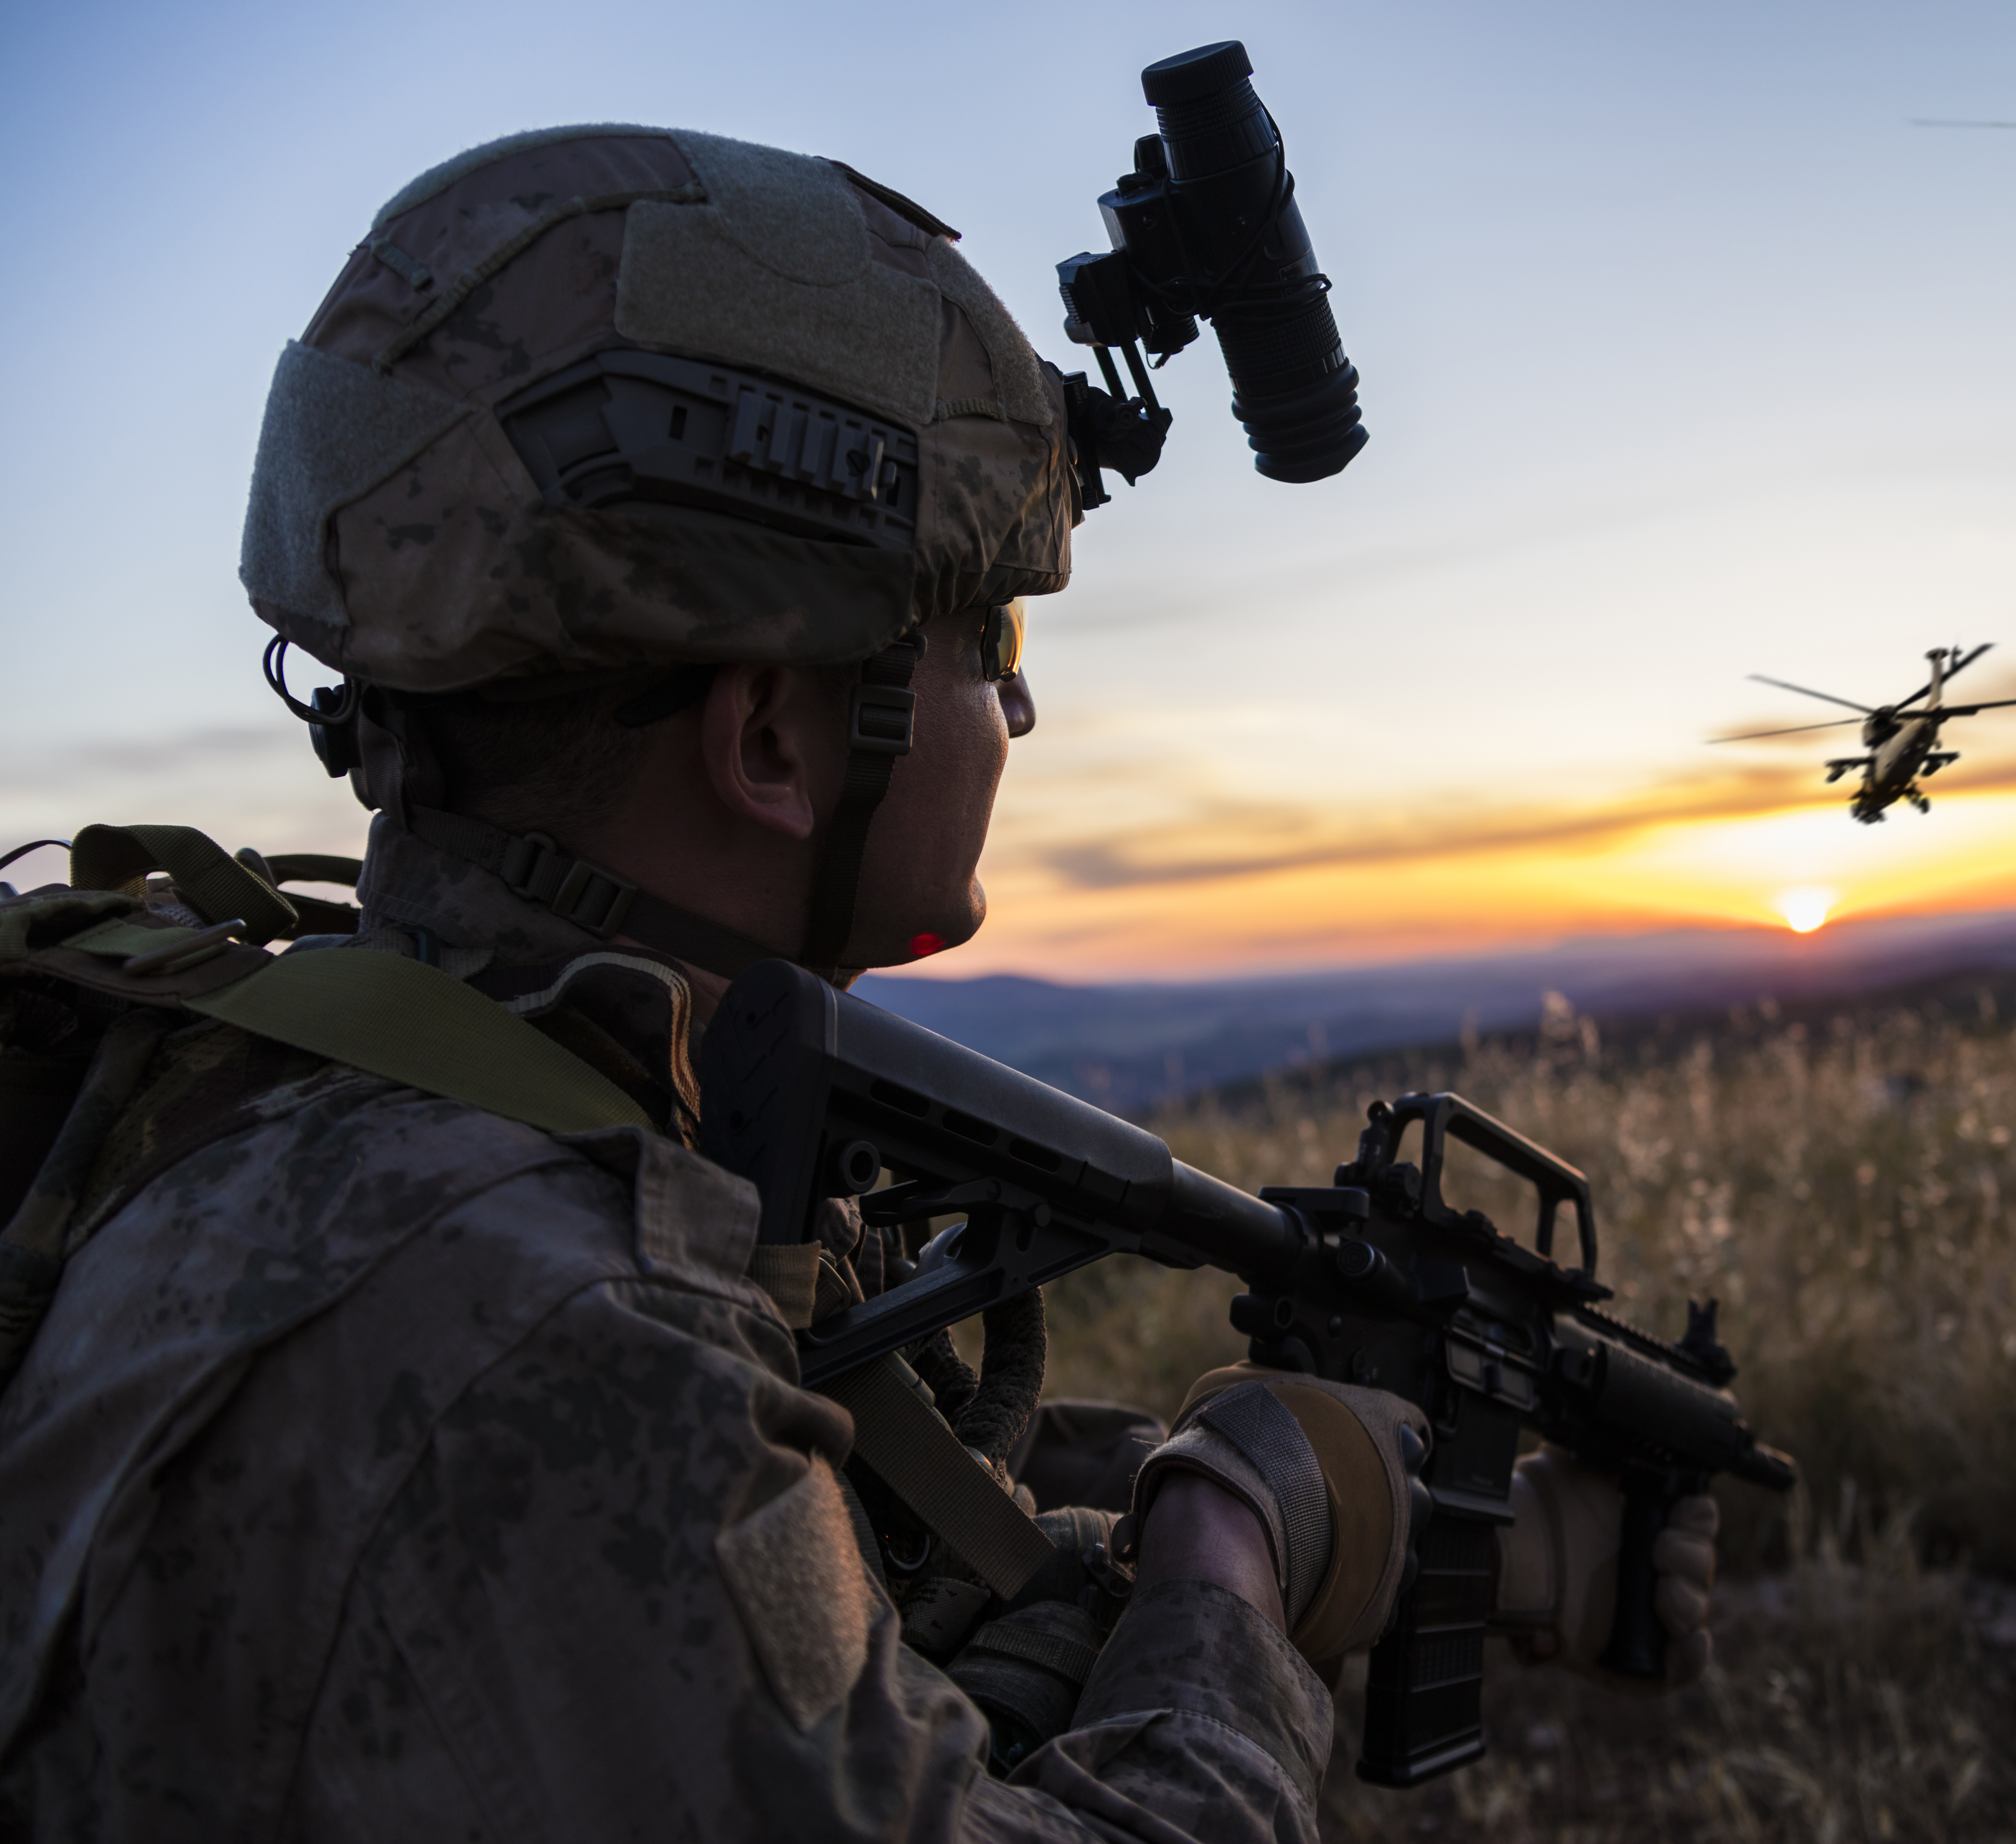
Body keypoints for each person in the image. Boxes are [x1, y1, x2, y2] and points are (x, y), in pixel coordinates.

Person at [0, 126, 1717, 1841]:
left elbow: (798, 1504)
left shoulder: (362, 1074)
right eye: (995, 646)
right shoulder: (535, 1324)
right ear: (768, 739)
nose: (1019, 718)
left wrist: (1379, 1499)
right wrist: (1234, 1540)